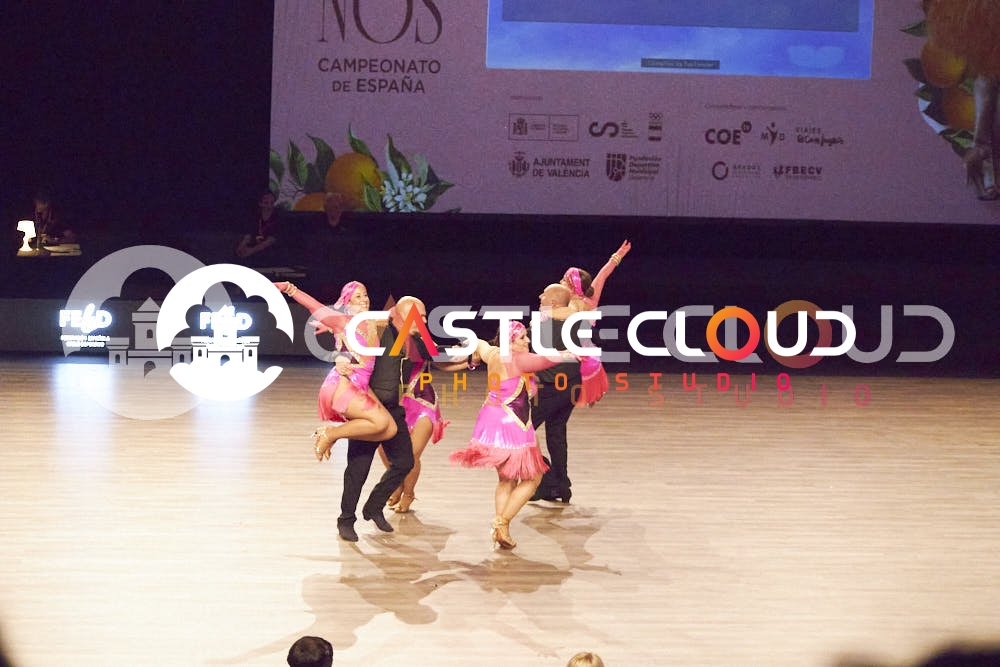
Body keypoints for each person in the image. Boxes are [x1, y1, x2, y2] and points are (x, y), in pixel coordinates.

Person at [449, 321, 575, 549]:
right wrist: (572, 353)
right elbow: (548, 359)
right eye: (522, 337)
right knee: (533, 478)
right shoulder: (519, 360)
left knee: (506, 479)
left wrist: (469, 347)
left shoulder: (493, 353)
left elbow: (479, 343)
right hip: (512, 423)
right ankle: (501, 521)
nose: (528, 341)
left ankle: (502, 530)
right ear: (510, 342)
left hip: (491, 420)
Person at [337, 296, 429, 541]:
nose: (423, 321)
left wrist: (470, 359)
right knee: (358, 469)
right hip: (369, 412)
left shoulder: (416, 341)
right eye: (419, 317)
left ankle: (374, 506)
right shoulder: (377, 331)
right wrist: (340, 360)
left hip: (394, 411)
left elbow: (440, 357)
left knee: (404, 462)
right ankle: (346, 520)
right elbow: (349, 346)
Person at [274, 280, 396, 460]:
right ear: (348, 302)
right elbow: (315, 306)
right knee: (380, 423)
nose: (364, 299)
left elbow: (399, 311)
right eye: (358, 296)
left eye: (365, 295)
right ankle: (330, 434)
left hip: (361, 385)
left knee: (390, 430)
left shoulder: (374, 320)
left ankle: (333, 434)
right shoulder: (341, 321)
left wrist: (330, 329)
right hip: (344, 384)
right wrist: (289, 288)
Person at [379, 345, 465, 514]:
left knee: (410, 455)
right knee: (384, 449)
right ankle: (397, 483)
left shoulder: (422, 341)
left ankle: (408, 493)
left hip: (422, 402)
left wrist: (468, 361)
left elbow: (440, 362)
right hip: (394, 402)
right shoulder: (387, 338)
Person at [559, 239, 631, 406]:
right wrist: (618, 255)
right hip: (575, 351)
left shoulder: (588, 300)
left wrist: (618, 256)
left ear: (572, 286)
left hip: (580, 355)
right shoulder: (565, 299)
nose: (561, 282)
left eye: (564, 280)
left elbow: (602, 275)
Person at [529, 283, 583, 504]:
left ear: (552, 302)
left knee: (521, 429)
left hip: (551, 386)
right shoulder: (576, 319)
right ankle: (561, 485)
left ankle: (548, 481)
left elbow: (531, 351)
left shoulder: (542, 321)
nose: (539, 295)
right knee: (556, 434)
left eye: (544, 294)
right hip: (572, 384)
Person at [236, 189, 282, 263]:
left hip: (270, 251)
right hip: (255, 247)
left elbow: (270, 241)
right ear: (260, 203)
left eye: (272, 203)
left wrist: (251, 251)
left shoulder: (278, 217)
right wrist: (241, 246)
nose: (269, 206)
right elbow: (249, 235)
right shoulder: (255, 216)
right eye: (266, 203)